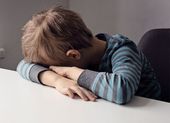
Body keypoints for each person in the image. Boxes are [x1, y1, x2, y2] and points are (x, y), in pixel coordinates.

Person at [16, 6, 161, 104]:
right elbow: (24, 65)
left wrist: (71, 72)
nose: (53, 68)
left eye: (56, 67)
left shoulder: (123, 49)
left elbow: (121, 90)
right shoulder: (81, 53)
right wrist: (56, 80)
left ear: (73, 55)